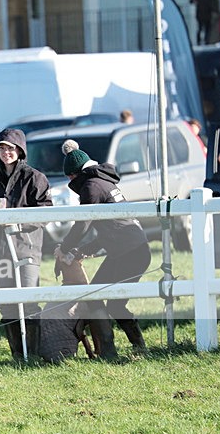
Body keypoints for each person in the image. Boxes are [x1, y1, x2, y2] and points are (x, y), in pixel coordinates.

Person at [57, 139, 151, 358]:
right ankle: (120, 348)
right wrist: (81, 251)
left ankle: (116, 350)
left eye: (70, 177)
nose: (70, 181)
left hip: (130, 253)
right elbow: (110, 231)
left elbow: (83, 223)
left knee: (113, 304)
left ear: (75, 174)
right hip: (130, 250)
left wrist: (65, 247)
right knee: (97, 297)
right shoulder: (105, 183)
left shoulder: (91, 187)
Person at [0, 128, 53, 362]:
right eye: (1, 148)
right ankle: (17, 354)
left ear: (20, 150)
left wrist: (18, 221)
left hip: (27, 247)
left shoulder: (35, 177)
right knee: (7, 304)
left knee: (28, 300)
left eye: (10, 148)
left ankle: (34, 354)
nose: (6, 152)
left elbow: (46, 211)